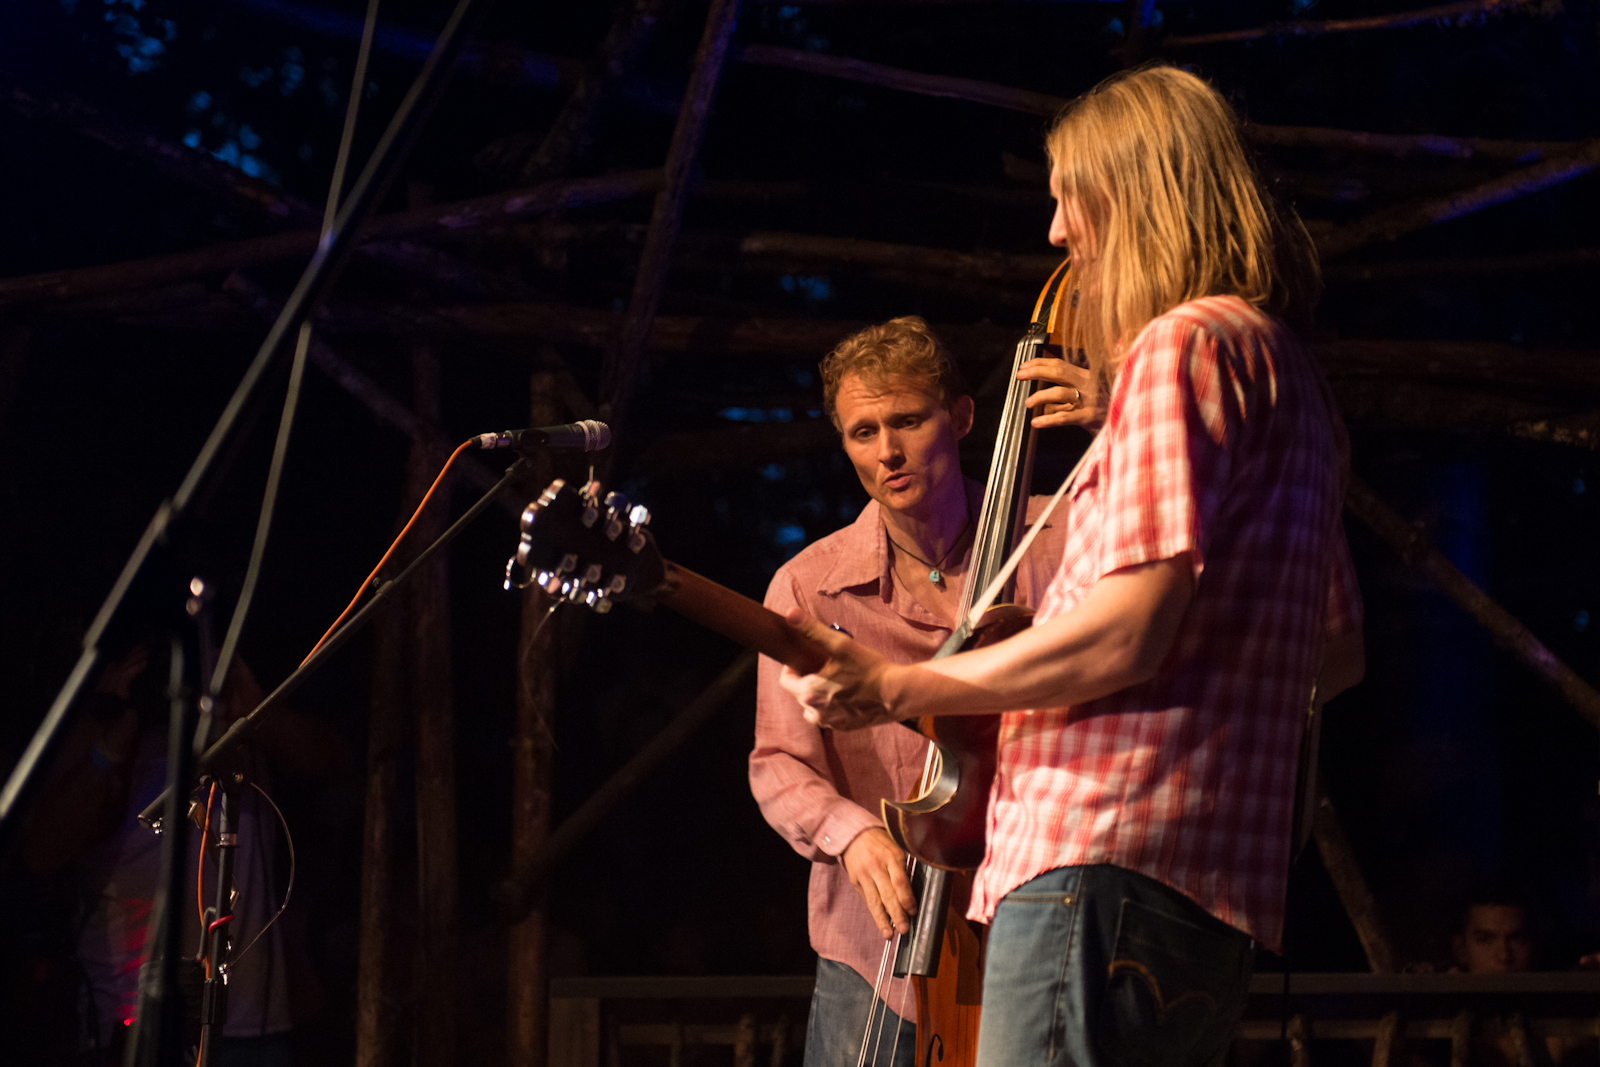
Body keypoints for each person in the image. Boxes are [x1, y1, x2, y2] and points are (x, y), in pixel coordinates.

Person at [778, 65, 1366, 1067]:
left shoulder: (1179, 347)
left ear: (1137, 194)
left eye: (1068, 198)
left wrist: (903, 684)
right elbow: (1337, 651)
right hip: (1213, 886)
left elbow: (1127, 632)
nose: (1056, 232)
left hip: (1097, 861)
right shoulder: (1294, 382)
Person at [749, 315, 1088, 1067]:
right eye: (863, 432)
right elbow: (778, 762)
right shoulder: (808, 586)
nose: (887, 452)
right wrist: (850, 833)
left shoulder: (1059, 542)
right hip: (874, 950)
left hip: (1034, 926)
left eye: (907, 421)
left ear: (961, 418)